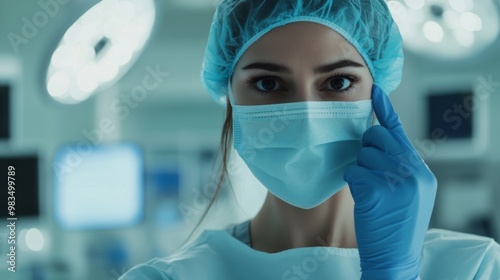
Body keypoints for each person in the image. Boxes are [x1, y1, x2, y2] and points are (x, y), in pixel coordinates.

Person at [120, 0, 500, 279]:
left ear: (377, 95)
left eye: (338, 82)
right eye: (268, 83)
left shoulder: (475, 267)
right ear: (230, 99)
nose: (305, 113)